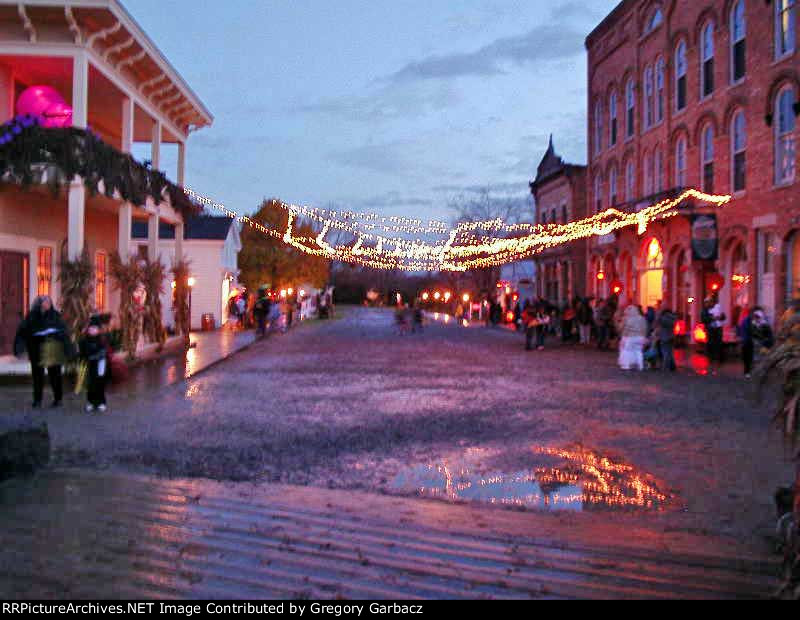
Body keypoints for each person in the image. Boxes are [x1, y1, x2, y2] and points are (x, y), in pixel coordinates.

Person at [14, 295, 71, 409]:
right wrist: (20, 347)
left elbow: (64, 332)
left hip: (53, 348)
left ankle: (58, 399)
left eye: (48, 302)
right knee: (37, 376)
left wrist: (67, 348)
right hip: (36, 349)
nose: (46, 305)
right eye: (44, 302)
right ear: (39, 304)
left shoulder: (55, 316)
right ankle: (37, 400)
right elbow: (23, 331)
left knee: (55, 375)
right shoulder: (32, 316)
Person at [79, 314, 110, 413]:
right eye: (91, 328)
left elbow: (104, 352)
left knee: (99, 383)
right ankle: (90, 402)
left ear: (98, 330)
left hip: (100, 364)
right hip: (89, 365)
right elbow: (82, 352)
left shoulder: (102, 340)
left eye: (95, 329)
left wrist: (95, 357)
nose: (92, 330)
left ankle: (101, 402)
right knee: (90, 384)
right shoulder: (84, 340)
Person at [740, 307, 775, 378]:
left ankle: (758, 372)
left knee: (760, 357)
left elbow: (768, 332)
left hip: (759, 342)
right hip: (749, 342)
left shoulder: (763, 321)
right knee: (748, 358)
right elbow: (744, 331)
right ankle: (748, 371)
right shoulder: (746, 321)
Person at [618, 305, 648, 371]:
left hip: (630, 337)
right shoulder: (641, 318)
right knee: (638, 351)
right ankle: (640, 365)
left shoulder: (626, 318)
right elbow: (645, 328)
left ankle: (626, 365)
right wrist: (644, 336)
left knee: (627, 351)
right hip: (640, 337)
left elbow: (622, 328)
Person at [702, 297, 726, 374]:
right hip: (710, 330)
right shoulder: (704, 311)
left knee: (718, 344)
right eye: (707, 303)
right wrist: (712, 318)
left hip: (718, 329)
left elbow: (723, 317)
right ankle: (711, 360)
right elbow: (704, 319)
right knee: (710, 344)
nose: (708, 304)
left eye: (709, 302)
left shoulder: (717, 308)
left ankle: (718, 359)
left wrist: (720, 317)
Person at [657, 306, 678, 372]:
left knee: (665, 352)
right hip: (671, 336)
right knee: (670, 352)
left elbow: (658, 321)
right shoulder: (673, 318)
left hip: (664, 336)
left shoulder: (663, 318)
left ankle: (665, 366)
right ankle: (672, 366)